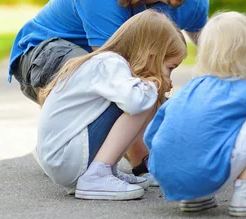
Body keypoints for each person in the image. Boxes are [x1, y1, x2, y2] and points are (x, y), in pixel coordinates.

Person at [8, 0, 213, 184]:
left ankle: (70, 146)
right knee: (128, 85)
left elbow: (217, 59)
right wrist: (147, 164)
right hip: (42, 54)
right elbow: (121, 83)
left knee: (145, 82)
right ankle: (82, 160)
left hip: (95, 64)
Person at [144, 11, 246, 217]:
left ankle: (195, 198)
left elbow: (152, 132)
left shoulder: (190, 88)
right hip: (208, 172)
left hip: (166, 176)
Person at [36, 10, 186, 200]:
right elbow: (134, 103)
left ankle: (105, 169)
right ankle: (97, 175)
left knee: (146, 96)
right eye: (170, 68)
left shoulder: (112, 65)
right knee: (143, 99)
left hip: (66, 158)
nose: (169, 77)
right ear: (151, 56)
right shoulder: (109, 62)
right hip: (65, 157)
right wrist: (154, 84)